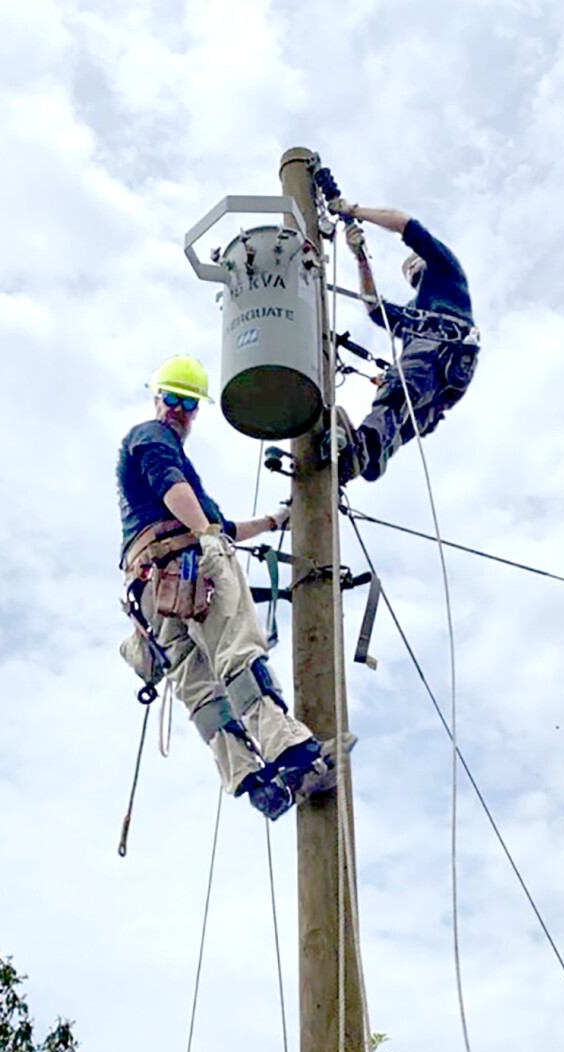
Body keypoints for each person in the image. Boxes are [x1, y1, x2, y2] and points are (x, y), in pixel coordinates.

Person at [117, 355, 334, 821]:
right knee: (236, 655)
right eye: (172, 399)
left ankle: (255, 784)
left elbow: (225, 525)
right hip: (188, 568)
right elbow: (173, 488)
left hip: (152, 592)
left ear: (196, 412)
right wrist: (207, 537)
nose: (178, 410)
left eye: (188, 404)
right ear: (157, 398)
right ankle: (294, 755)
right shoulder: (151, 438)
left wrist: (276, 521)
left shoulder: (175, 477)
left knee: (200, 688)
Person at [325, 200, 480, 484]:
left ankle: (364, 445)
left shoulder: (445, 271)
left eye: (412, 264)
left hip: (440, 346)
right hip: (448, 377)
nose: (410, 272)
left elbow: (404, 224)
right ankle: (373, 457)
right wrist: (360, 258)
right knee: (406, 419)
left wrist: (353, 211)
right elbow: (375, 309)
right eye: (406, 271)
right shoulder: (413, 311)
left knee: (397, 391)